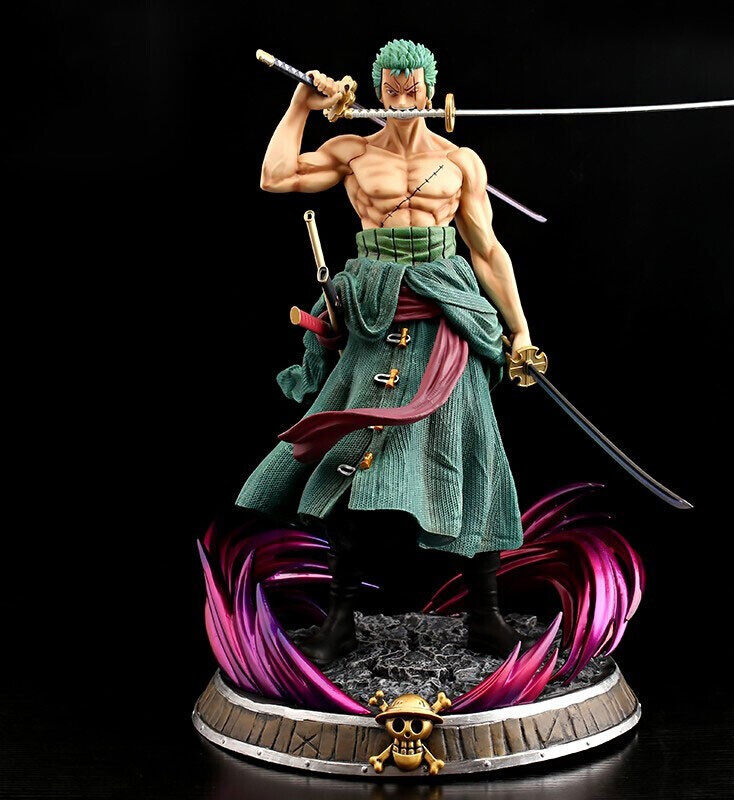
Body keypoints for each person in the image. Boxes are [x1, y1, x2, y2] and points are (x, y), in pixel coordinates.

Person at [237, 40, 542, 666]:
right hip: (374, 315)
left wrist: (520, 331)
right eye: (392, 90)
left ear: (431, 91)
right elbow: (275, 177)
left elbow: (487, 250)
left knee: (477, 455)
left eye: (413, 89)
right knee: (344, 456)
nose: (403, 100)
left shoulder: (459, 163)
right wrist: (299, 105)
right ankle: (339, 621)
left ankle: (485, 616)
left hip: (446, 317)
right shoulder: (353, 152)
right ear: (378, 91)